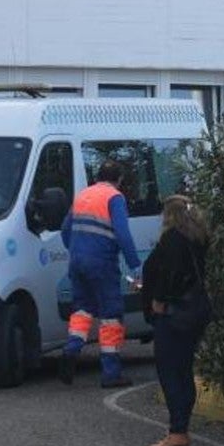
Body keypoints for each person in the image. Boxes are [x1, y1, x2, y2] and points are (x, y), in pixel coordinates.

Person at [58, 160, 142, 388]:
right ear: (119, 179)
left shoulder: (82, 195)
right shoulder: (114, 198)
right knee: (111, 316)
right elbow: (123, 234)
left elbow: (65, 230)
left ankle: (71, 350)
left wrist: (76, 249)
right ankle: (111, 373)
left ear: (97, 176)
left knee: (82, 309)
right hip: (102, 263)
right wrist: (135, 265)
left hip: (77, 261)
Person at [141, 195, 211, 446]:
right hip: (195, 311)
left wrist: (158, 299)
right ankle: (181, 426)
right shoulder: (198, 237)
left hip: (173, 313)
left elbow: (169, 273)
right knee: (184, 369)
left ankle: (178, 431)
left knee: (169, 371)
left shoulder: (172, 239)